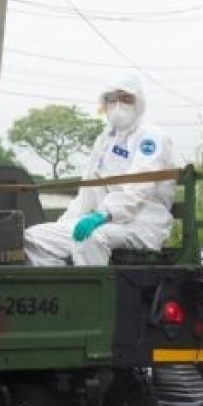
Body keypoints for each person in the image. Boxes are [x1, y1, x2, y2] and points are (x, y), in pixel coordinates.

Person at [25, 74, 176, 266]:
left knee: (89, 239)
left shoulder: (153, 137)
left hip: (140, 224)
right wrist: (66, 222)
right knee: (33, 239)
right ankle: (61, 291)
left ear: (138, 102)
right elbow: (88, 191)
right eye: (111, 99)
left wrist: (103, 214)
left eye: (125, 98)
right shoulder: (105, 140)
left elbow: (138, 189)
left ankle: (89, 295)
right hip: (102, 221)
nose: (118, 104)